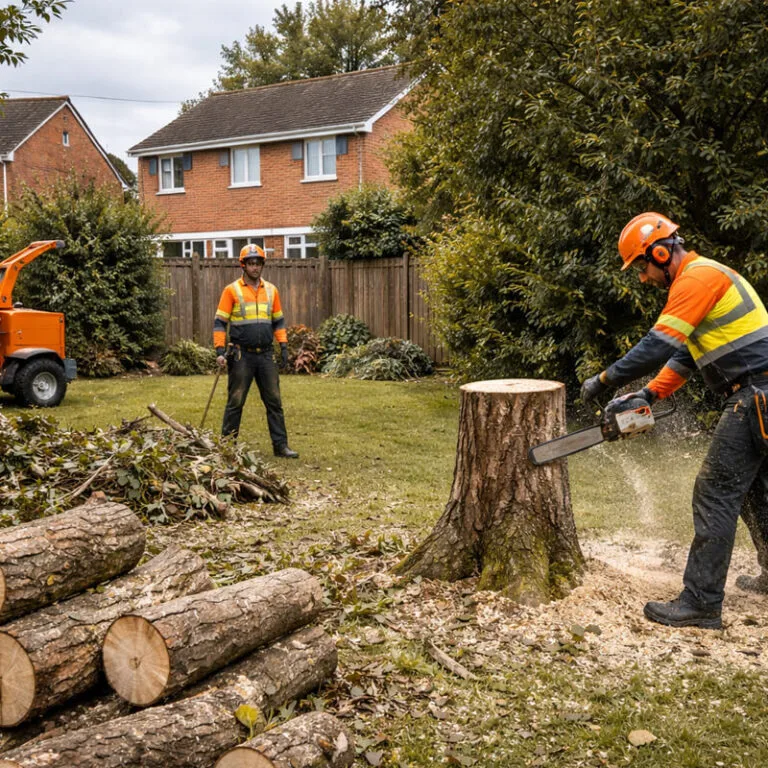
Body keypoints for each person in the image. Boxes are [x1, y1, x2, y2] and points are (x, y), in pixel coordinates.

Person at [580, 212, 768, 629]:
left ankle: (701, 603)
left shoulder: (697, 279)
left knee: (714, 492)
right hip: (759, 394)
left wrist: (605, 378)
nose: (644, 278)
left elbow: (657, 345)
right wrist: (648, 394)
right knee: (756, 490)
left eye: (643, 267)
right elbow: (683, 355)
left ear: (661, 252)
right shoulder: (704, 278)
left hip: (756, 394)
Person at [213, 244, 299, 458]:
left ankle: (281, 446)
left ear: (262, 265)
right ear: (243, 265)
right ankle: (227, 447)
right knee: (235, 402)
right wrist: (220, 351)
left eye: (258, 263)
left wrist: (284, 346)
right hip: (241, 355)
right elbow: (219, 323)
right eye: (251, 263)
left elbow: (278, 321)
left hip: (266, 355)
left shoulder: (271, 290)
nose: (255, 267)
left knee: (274, 402)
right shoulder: (231, 290)